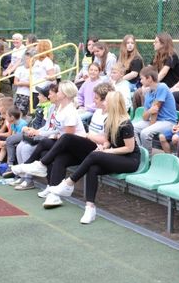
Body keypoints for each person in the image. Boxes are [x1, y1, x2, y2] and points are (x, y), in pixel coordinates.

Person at [43, 91, 140, 224]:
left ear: (113, 104)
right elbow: (108, 141)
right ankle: (90, 208)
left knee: (95, 155)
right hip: (116, 156)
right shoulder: (108, 120)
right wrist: (104, 147)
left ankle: (69, 183)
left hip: (130, 160)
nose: (104, 103)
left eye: (107, 101)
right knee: (93, 168)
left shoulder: (126, 123)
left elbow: (129, 148)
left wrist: (107, 152)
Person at [17, 82, 114, 193]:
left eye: (96, 98)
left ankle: (36, 165)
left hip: (93, 148)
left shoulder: (109, 116)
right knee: (58, 158)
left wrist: (87, 135)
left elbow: (106, 141)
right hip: (81, 144)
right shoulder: (97, 112)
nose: (93, 100)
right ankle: (53, 191)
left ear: (105, 100)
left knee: (60, 139)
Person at [133, 66, 178, 153]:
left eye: (142, 78)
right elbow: (145, 117)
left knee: (145, 133)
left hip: (167, 122)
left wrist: (150, 116)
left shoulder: (162, 87)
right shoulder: (148, 92)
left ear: (149, 78)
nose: (140, 81)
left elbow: (155, 111)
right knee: (132, 128)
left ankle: (147, 158)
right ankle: (139, 152)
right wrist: (149, 111)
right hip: (155, 121)